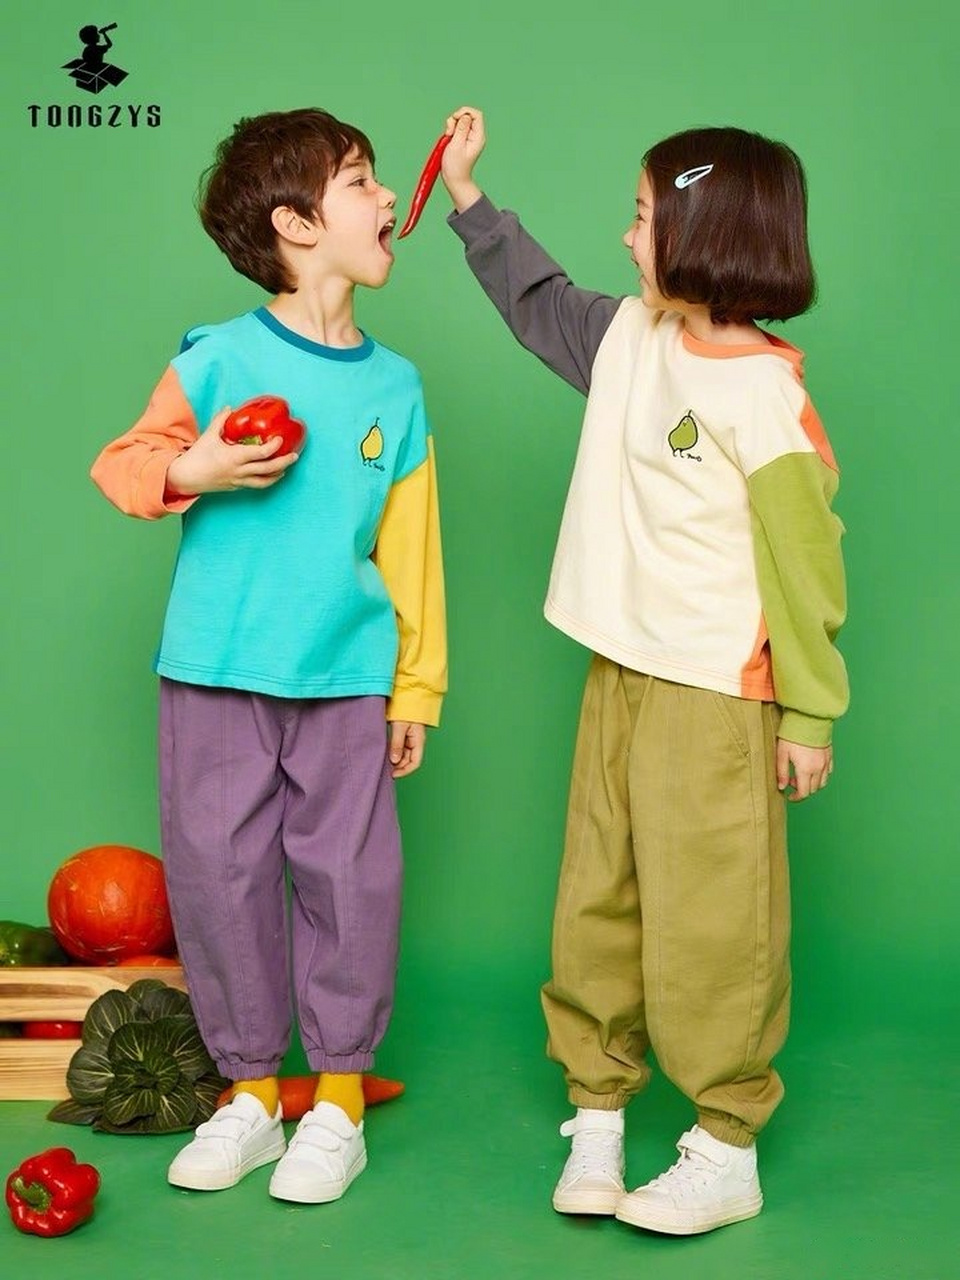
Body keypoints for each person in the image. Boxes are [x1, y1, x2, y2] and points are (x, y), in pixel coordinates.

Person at [439, 107, 847, 1236]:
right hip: (615, 668)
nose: (626, 237)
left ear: (704, 233)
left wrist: (809, 712)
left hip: (713, 692)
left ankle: (725, 1142)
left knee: (714, 918)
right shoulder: (627, 336)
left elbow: (807, 566)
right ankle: (599, 1106)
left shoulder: (764, 393)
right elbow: (535, 300)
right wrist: (470, 198)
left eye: (642, 216)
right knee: (597, 899)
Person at [91, 108, 446, 1205]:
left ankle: (336, 1104)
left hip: (344, 677)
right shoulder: (217, 358)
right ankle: (250, 1093)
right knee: (221, 874)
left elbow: (413, 549)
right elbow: (123, 463)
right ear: (297, 224)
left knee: (352, 880)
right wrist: (191, 468)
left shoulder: (396, 387)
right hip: (212, 670)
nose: (387, 198)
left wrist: (416, 687)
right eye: (362, 182)